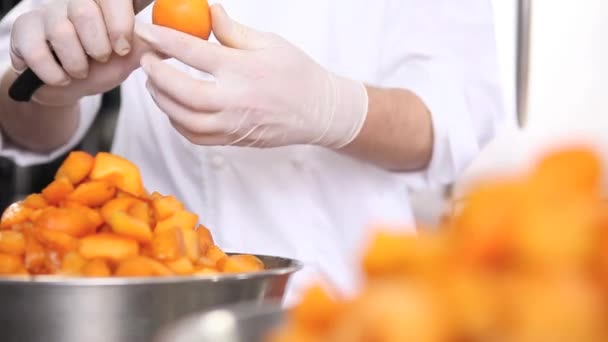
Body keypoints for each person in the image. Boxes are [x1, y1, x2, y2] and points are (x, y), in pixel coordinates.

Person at [0, 0, 511, 304]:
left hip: (346, 305)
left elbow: (452, 120)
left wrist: (333, 108)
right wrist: (52, 85)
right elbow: (20, 119)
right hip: (145, 298)